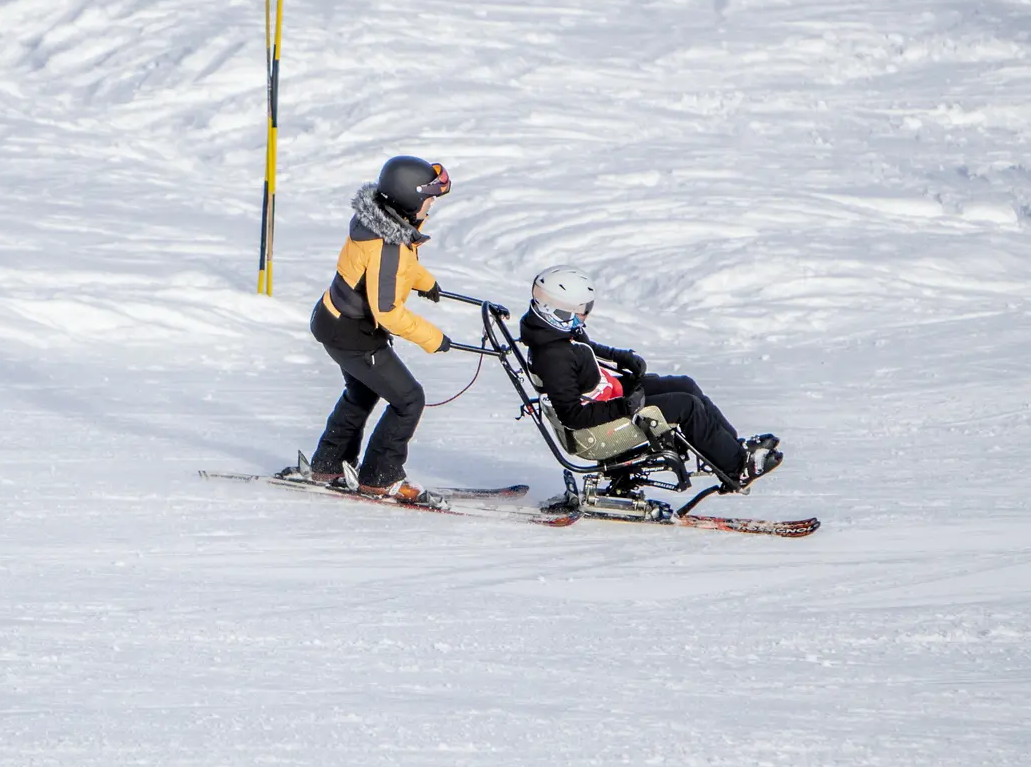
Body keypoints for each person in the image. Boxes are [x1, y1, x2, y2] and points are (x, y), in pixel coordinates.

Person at [519, 265, 780, 489]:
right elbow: (572, 416)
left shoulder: (555, 333)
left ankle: (734, 449)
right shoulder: (553, 356)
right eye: (582, 310)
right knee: (685, 405)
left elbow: (588, 349)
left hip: (611, 397)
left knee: (685, 385)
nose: (585, 315)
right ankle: (737, 467)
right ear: (558, 311)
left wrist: (621, 357)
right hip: (598, 430)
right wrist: (624, 406)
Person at [291, 155, 456, 507]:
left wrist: (424, 282)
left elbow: (391, 269)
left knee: (362, 392)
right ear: (410, 201)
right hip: (353, 333)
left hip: (333, 320)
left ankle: (329, 464)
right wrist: (433, 338)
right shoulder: (389, 243)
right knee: (409, 399)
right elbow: (387, 311)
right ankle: (380, 478)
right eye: (429, 201)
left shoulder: (379, 222)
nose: (431, 207)